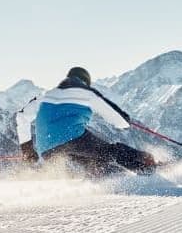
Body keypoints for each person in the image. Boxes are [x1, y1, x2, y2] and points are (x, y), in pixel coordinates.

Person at [15, 66, 158, 175]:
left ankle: (103, 176)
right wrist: (125, 122)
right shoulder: (86, 94)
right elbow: (115, 118)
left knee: (94, 162)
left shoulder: (44, 96)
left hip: (46, 150)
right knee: (112, 151)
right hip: (73, 138)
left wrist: (28, 150)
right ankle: (146, 166)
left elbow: (21, 117)